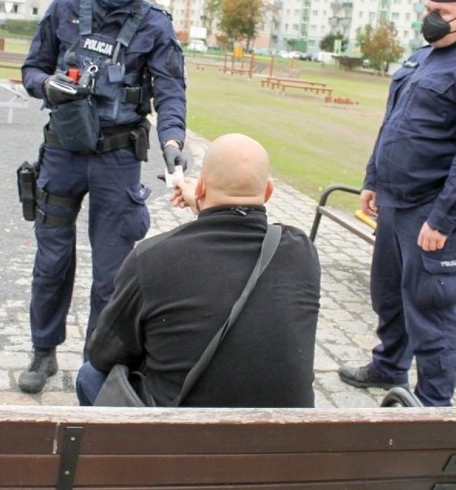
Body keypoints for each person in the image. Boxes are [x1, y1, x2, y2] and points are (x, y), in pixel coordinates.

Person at [18, 0, 187, 393]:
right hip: (63, 154)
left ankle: (97, 364)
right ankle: (43, 352)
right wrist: (47, 85)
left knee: (112, 276)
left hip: (117, 160)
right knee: (52, 262)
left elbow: (172, 92)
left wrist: (173, 143)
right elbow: (32, 68)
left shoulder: (156, 25)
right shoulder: (66, 8)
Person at [338, 0, 456, 407]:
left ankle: (433, 403)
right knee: (389, 296)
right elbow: (392, 126)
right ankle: (388, 366)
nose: (431, 17)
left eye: (442, 13)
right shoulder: (421, 59)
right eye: (428, 8)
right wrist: (373, 181)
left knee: (432, 308)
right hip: (394, 203)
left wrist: (443, 218)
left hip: (432, 213)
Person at [75, 134, 320, 407]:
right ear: (268, 192)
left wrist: (205, 202)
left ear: (200, 186)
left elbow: (103, 354)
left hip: (178, 441)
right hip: (285, 441)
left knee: (90, 375)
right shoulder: (302, 251)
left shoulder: (152, 257)